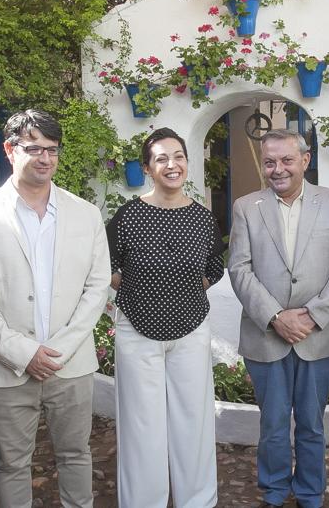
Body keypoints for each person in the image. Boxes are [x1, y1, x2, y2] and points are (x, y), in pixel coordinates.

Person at [0, 110, 111, 507]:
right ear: (9, 150)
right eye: (34, 148)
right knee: (10, 463)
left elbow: (96, 287)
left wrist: (58, 349)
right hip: (6, 366)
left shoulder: (86, 213)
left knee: (76, 455)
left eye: (52, 150)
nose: (45, 158)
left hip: (70, 364)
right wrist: (21, 352)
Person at [227, 129, 329, 508]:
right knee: (272, 425)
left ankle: (310, 493)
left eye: (286, 160)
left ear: (305, 159)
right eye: (270, 162)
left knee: (313, 424)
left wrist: (312, 316)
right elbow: (239, 269)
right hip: (266, 334)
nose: (277, 169)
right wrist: (275, 317)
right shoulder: (246, 206)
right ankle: (273, 491)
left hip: (317, 334)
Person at [106, 128, 225, 508]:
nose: (171, 165)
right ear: (147, 168)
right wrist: (147, 292)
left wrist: (178, 293)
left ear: (188, 163)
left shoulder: (203, 219)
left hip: (190, 330)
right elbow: (109, 267)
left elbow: (213, 268)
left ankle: (198, 502)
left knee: (194, 423)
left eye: (178, 156)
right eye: (161, 159)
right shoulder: (127, 216)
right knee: (142, 428)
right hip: (137, 331)